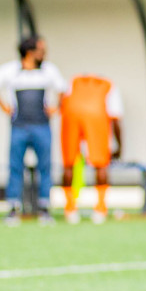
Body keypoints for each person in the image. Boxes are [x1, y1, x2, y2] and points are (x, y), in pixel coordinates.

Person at [1, 35, 68, 225]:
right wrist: (4, 106)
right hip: (19, 127)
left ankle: (44, 208)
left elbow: (62, 88)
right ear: (30, 53)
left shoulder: (48, 71)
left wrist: (56, 107)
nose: (44, 54)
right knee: (15, 167)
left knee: (44, 167)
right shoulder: (10, 71)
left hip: (41, 126)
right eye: (41, 50)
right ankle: (13, 208)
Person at [60, 73, 124, 224]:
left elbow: (61, 103)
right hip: (97, 115)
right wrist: (120, 147)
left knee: (69, 163)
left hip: (71, 114)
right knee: (101, 163)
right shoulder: (109, 86)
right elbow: (115, 119)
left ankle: (70, 209)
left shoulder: (74, 82)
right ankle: (100, 210)